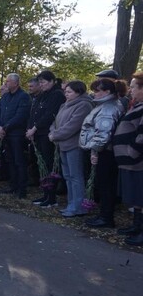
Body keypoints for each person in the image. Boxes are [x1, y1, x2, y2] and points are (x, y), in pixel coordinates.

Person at [80, 78, 124, 228]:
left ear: (107, 91)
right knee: (103, 184)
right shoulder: (105, 105)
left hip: (105, 152)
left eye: (97, 90)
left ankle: (106, 217)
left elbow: (103, 134)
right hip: (103, 151)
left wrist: (95, 151)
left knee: (106, 185)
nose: (94, 93)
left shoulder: (108, 108)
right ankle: (103, 215)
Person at [48, 81, 93, 217]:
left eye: (69, 92)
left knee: (75, 176)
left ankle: (78, 207)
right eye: (65, 92)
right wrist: (52, 132)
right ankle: (71, 203)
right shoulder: (64, 105)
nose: (66, 94)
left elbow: (73, 126)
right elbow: (55, 122)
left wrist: (55, 135)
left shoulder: (84, 105)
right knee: (67, 176)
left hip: (74, 145)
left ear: (78, 92)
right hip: (62, 144)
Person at [27, 70, 66, 207]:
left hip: (47, 135)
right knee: (41, 165)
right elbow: (34, 113)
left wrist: (34, 128)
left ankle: (51, 197)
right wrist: (30, 129)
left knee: (49, 165)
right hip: (36, 133)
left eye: (43, 82)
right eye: (40, 82)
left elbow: (50, 114)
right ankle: (45, 194)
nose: (41, 85)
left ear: (52, 82)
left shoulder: (57, 95)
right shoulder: (42, 95)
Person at [113, 71, 143, 245]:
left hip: (137, 162)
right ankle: (136, 226)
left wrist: (131, 153)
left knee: (141, 196)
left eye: (133, 87)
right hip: (130, 163)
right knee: (136, 198)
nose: (130, 90)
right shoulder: (137, 106)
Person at [0, 73, 31, 198]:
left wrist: (6, 127)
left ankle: (21, 189)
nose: (6, 83)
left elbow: (21, 115)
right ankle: (13, 186)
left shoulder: (23, 96)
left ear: (16, 83)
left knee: (19, 161)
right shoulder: (5, 97)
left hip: (17, 134)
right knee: (10, 161)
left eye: (8, 81)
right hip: (5, 134)